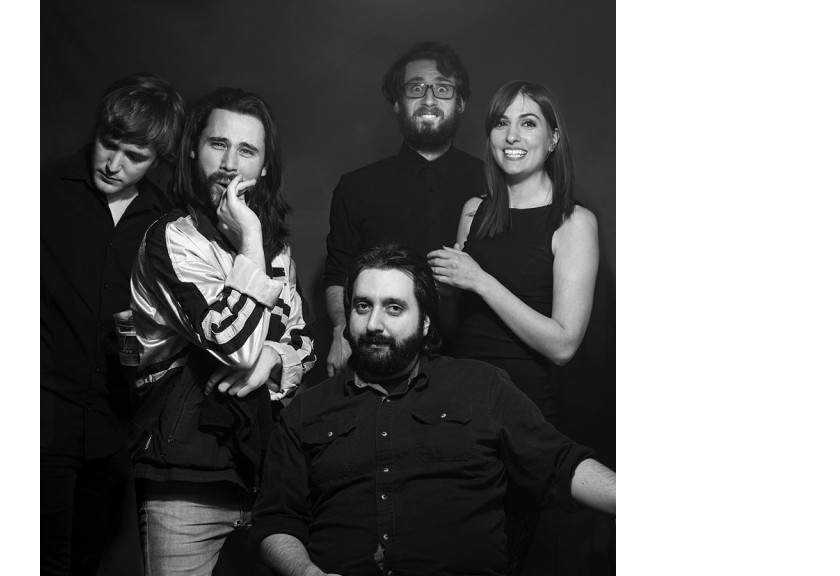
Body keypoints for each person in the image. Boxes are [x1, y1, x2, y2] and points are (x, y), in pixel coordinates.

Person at [252, 244, 614, 576]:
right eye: (363, 306)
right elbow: (275, 522)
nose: (374, 324)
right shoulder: (307, 409)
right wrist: (306, 572)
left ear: (425, 321)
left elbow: (560, 465)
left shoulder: (480, 385)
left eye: (394, 308)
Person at [129, 87, 315, 576]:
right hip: (184, 483)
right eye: (218, 144)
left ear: (265, 168)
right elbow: (235, 345)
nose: (230, 164)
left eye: (247, 151)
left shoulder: (277, 252)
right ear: (194, 150)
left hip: (265, 477)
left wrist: (276, 359)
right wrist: (251, 240)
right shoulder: (171, 238)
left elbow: (303, 341)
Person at [427, 80, 600, 574]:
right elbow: (454, 323)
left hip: (523, 415)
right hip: (457, 408)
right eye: (501, 123)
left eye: (528, 123)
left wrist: (479, 281)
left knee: (506, 556)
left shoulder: (573, 223)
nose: (512, 135)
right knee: (447, 553)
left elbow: (563, 344)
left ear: (553, 138)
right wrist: (443, 286)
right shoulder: (475, 210)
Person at [41, 73, 185, 576]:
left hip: (112, 423)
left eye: (135, 156)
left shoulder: (163, 221)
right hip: (42, 410)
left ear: (157, 160)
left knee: (87, 561)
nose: (113, 163)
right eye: (109, 143)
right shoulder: (42, 188)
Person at [324, 41, 485, 376]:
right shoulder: (355, 187)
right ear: (398, 102)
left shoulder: (491, 183)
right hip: (380, 361)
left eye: (443, 88)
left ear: (461, 102)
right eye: (415, 88)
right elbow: (339, 275)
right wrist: (341, 329)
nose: (429, 99)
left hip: (475, 363)